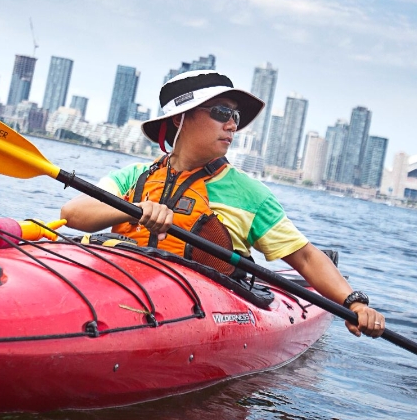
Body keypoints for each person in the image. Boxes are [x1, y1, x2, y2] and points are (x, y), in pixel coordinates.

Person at [61, 70, 385, 338]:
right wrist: (136, 206)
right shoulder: (132, 177)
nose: (232, 125)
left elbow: (304, 256)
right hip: (116, 284)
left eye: (236, 116)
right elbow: (72, 215)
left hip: (196, 310)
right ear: (181, 118)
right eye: (221, 113)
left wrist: (354, 303)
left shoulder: (249, 194)